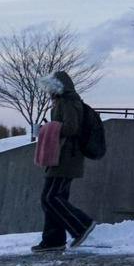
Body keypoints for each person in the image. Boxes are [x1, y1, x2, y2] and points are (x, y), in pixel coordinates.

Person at [33, 70, 96, 252]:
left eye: (50, 87)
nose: (48, 91)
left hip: (67, 156)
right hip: (60, 155)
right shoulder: (63, 101)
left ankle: (82, 225)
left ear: (58, 87)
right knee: (53, 197)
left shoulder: (68, 101)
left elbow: (71, 128)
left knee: (50, 197)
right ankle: (53, 240)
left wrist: (47, 128)